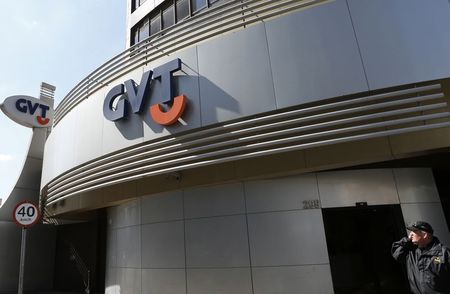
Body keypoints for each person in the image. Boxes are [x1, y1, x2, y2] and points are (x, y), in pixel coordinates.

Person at [392, 221, 450, 294]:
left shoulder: (443, 253)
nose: (410, 234)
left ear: (425, 234)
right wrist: (406, 240)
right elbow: (396, 252)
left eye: (414, 231)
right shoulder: (411, 253)